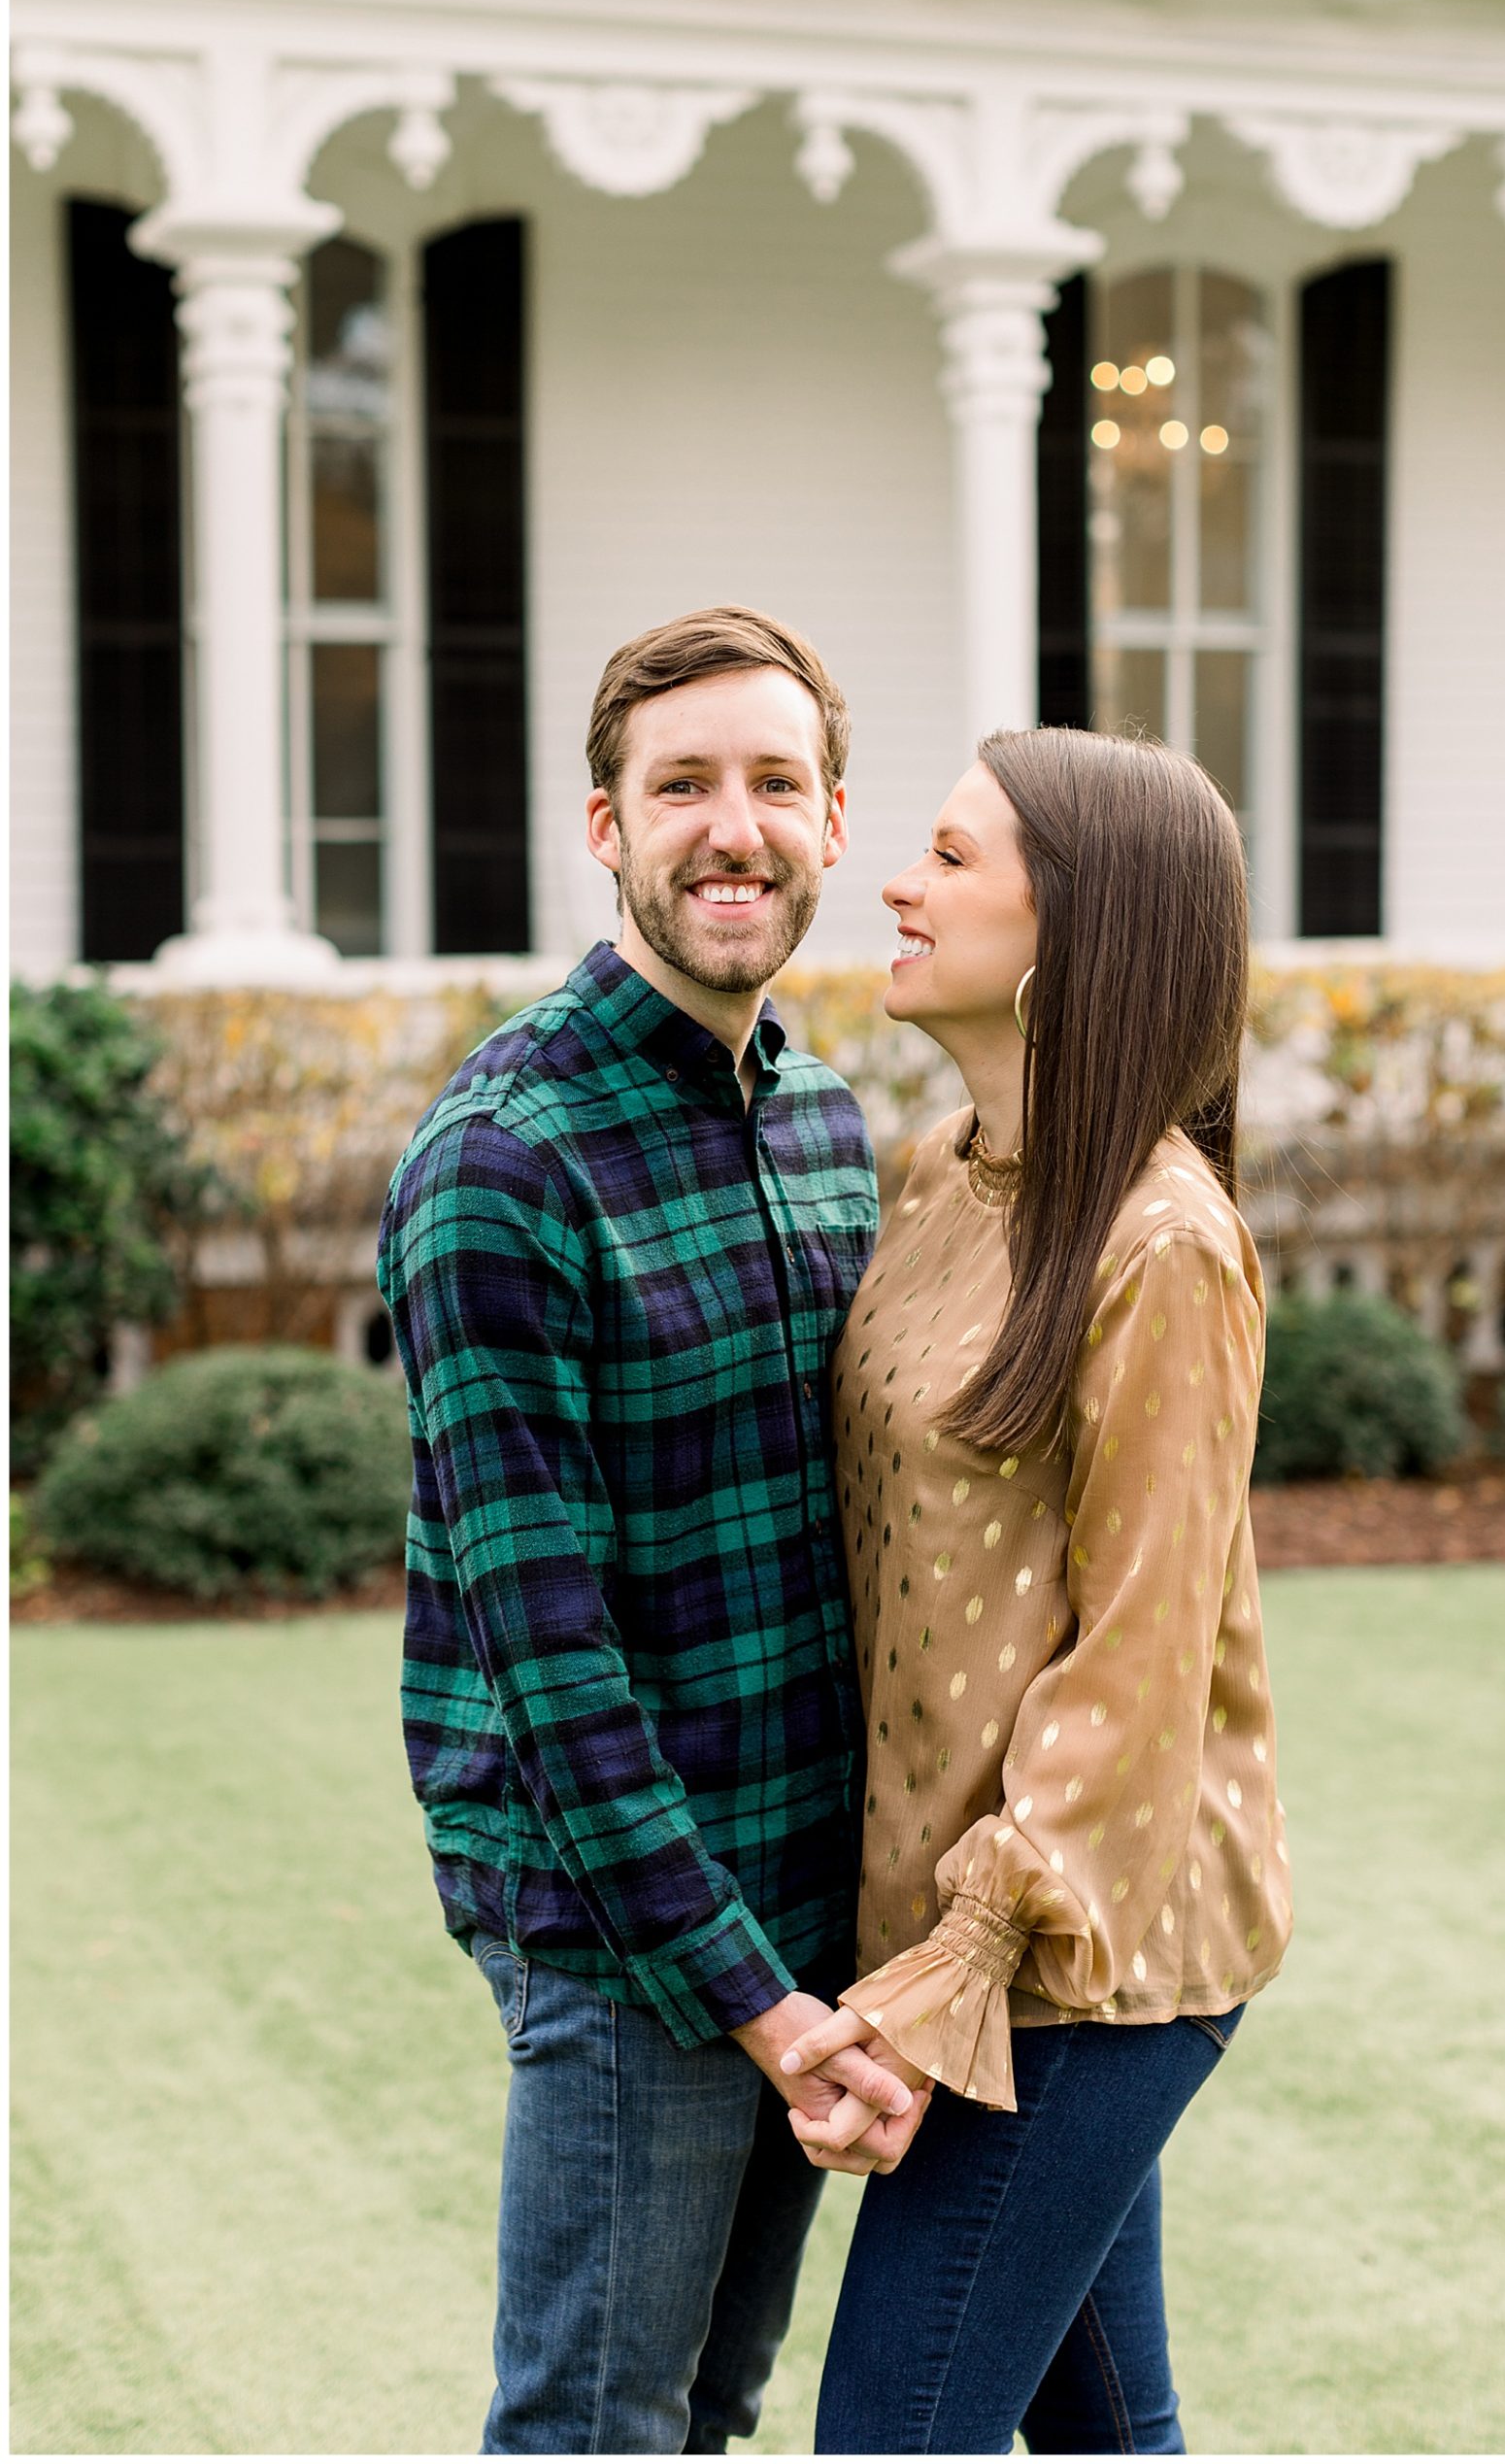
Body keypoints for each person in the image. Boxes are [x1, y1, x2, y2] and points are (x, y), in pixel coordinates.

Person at [376, 606, 926, 2456]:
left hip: (805, 1898)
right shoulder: (500, 1163)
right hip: (626, 1930)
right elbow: (549, 1659)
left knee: (707, 2409)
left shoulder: (831, 1126)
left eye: (775, 783)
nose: (732, 829)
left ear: (834, 824)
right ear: (599, 826)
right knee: (593, 2426)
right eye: (679, 784)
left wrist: (845, 1956)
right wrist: (754, 2003)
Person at [779, 726, 1294, 2454]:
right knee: (1105, 2438)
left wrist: (951, 1978)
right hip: (961, 1935)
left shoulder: (1164, 1244)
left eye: (947, 856)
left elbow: (1136, 1670)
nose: (895, 885)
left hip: (1084, 1960)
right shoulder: (933, 1178)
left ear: (1075, 928)